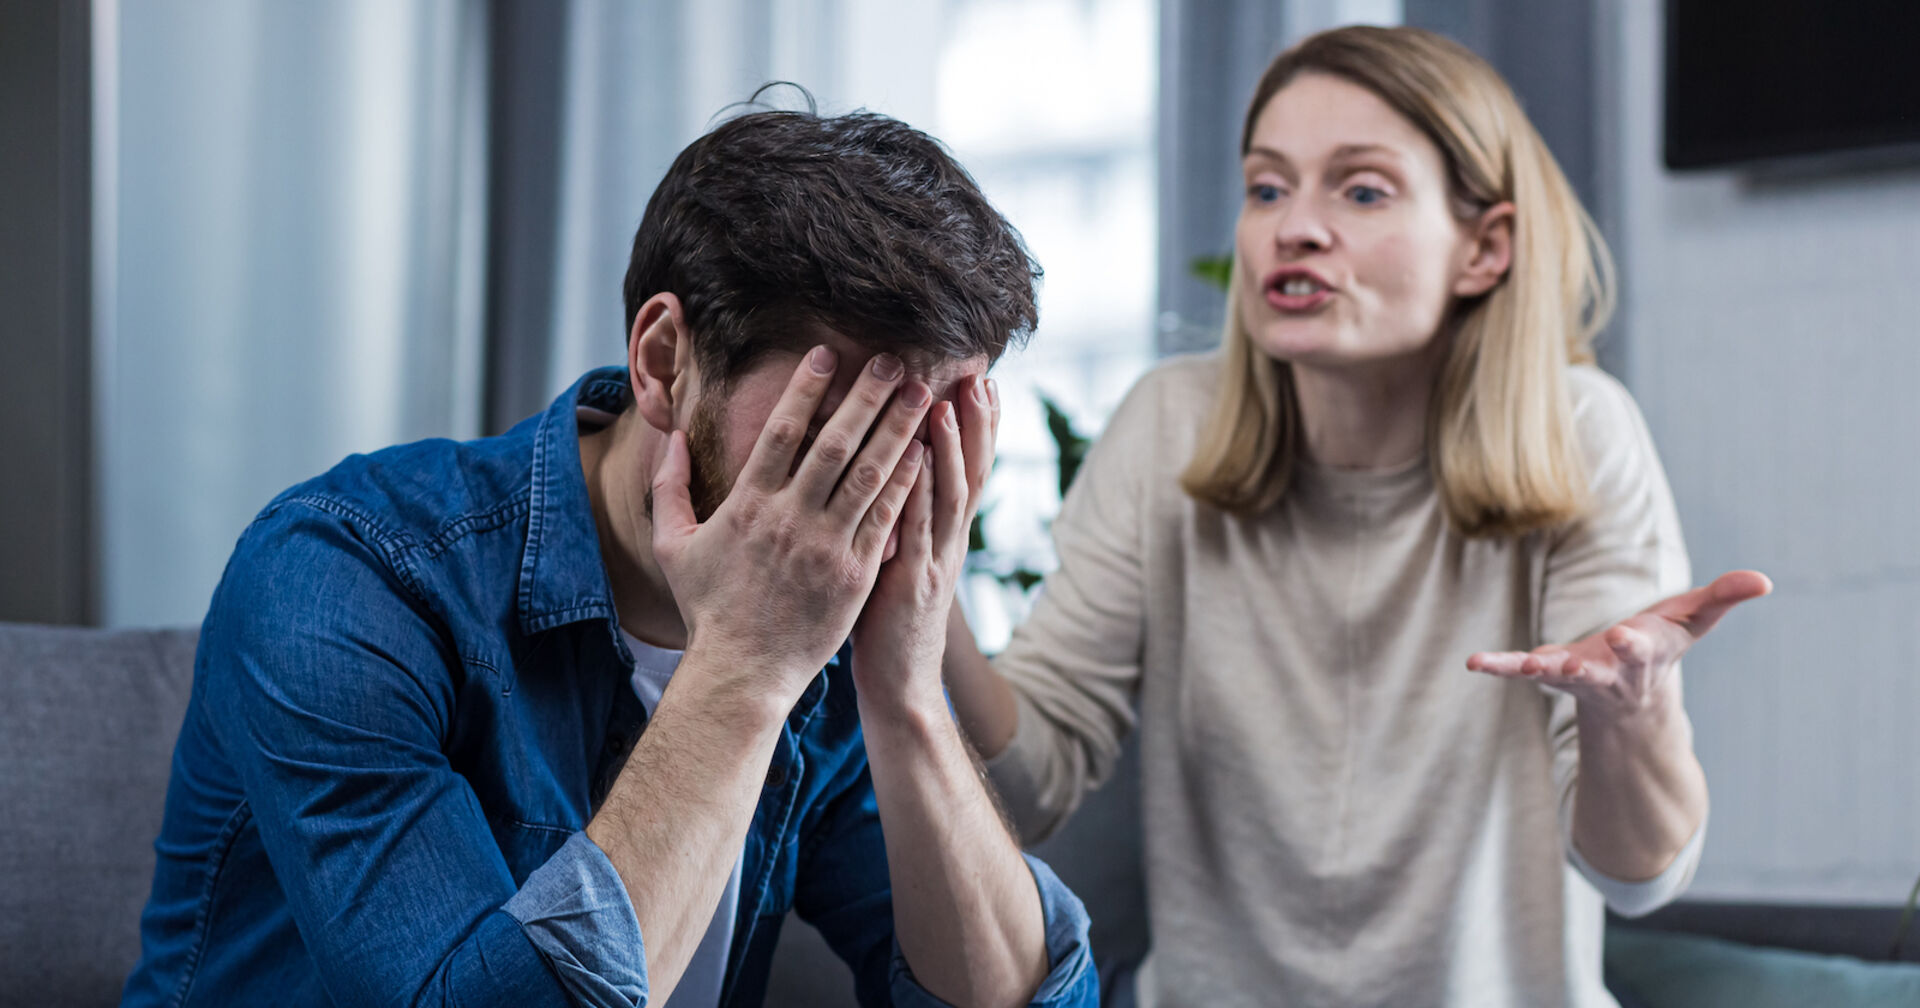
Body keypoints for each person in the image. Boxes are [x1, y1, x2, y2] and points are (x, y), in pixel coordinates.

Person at [121, 107, 1097, 1008]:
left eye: (929, 429)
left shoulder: (835, 626)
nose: (881, 481)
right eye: (840, 423)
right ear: (665, 361)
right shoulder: (343, 576)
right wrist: (745, 667)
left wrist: (911, 693)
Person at [941, 25, 1769, 1008]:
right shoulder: (1171, 426)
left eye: (1361, 190)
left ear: (1486, 247)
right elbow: (1025, 789)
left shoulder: (1579, 432)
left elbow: (1638, 879)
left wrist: (1629, 714)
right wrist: (929, 602)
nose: (1295, 227)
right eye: (1267, 188)